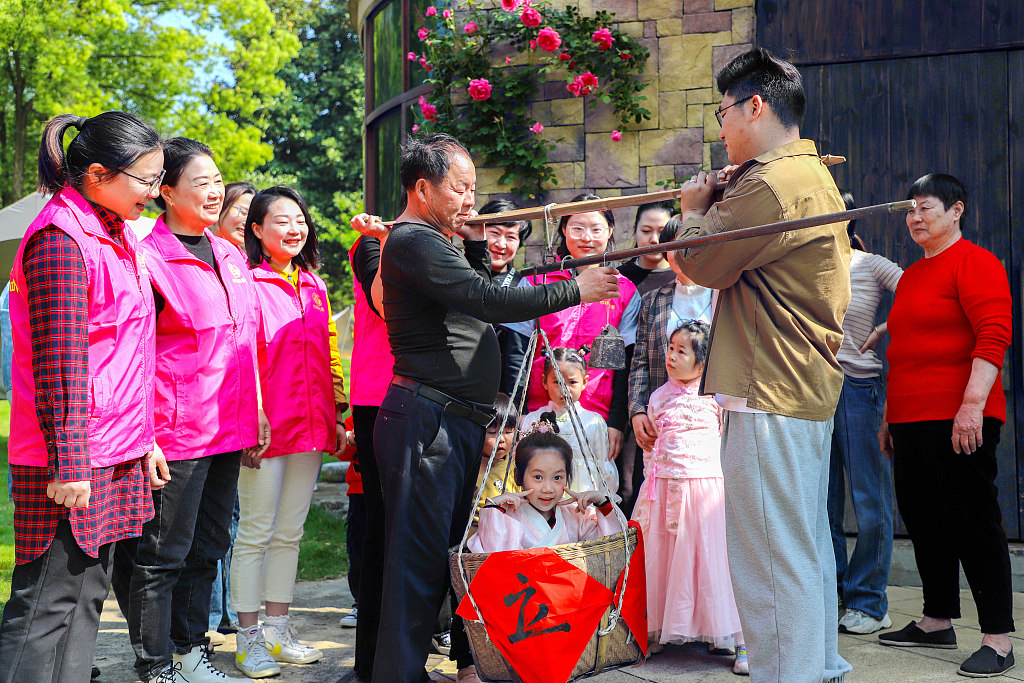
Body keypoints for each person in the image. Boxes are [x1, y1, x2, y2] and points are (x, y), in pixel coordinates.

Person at [362, 132, 620, 683]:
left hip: (447, 420)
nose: (470, 200)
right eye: (461, 188)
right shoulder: (412, 240)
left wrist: (475, 239)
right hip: (424, 421)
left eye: (473, 187)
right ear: (423, 188)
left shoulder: (440, 238)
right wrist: (576, 289)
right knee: (415, 563)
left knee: (439, 557)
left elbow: (488, 287)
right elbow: (489, 299)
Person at [673, 47, 852, 682]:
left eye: (723, 112)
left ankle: (791, 674)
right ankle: (815, 666)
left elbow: (697, 262)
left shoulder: (770, 182)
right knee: (799, 547)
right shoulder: (803, 174)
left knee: (768, 557)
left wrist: (694, 209)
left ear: (756, 105)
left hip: (768, 385)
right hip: (793, 384)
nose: (719, 129)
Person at [0, 112, 161, 683]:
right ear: (98, 175)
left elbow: (128, 350)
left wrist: (145, 440)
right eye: (145, 180)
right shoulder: (59, 240)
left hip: (115, 448)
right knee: (46, 603)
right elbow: (59, 364)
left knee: (89, 595)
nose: (155, 192)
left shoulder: (113, 233)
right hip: (70, 458)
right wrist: (70, 463)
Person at [113, 137, 268, 683]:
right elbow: (133, 353)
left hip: (230, 426)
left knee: (209, 548)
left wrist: (257, 416)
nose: (215, 190)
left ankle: (189, 649)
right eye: (200, 182)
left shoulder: (229, 252)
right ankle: (154, 661)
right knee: (162, 555)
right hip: (175, 432)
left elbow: (243, 340)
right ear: (166, 190)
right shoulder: (146, 257)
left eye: (217, 179)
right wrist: (145, 435)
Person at [876, 174, 1015, 678]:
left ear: (956, 209)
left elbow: (994, 332)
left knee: (973, 521)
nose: (915, 217)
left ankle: (999, 639)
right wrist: (891, 418)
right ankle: (937, 620)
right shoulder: (912, 276)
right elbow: (906, 351)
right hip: (910, 420)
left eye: (925, 207)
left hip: (961, 416)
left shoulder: (977, 262)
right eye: (909, 209)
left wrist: (972, 404)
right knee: (924, 519)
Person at [230, 186, 348, 677]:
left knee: (290, 532)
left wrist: (339, 412)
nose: (294, 228)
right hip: (264, 427)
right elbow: (239, 355)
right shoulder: (245, 282)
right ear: (257, 230)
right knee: (256, 532)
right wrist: (249, 415)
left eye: (299, 218)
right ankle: (248, 639)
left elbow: (330, 353)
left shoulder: (314, 286)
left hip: (313, 425)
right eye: (281, 220)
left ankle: (278, 630)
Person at [631, 322, 747, 675]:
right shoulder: (656, 397)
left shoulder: (717, 398)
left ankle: (740, 639)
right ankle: (657, 628)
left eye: (682, 351)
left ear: (703, 362)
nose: (671, 356)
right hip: (663, 487)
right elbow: (651, 448)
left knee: (713, 563)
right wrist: (650, 484)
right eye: (670, 348)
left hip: (704, 488)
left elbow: (728, 442)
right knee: (663, 560)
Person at [827, 192, 903, 635]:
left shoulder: (870, 263)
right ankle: (835, 594)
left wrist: (884, 327)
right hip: (814, 391)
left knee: (870, 499)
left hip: (858, 387)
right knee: (823, 503)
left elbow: (922, 291)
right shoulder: (805, 265)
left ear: (850, 220)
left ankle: (871, 601)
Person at [524, 194, 642, 462]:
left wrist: (616, 421)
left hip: (596, 416)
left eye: (596, 228)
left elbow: (627, 363)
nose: (586, 237)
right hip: (539, 410)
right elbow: (517, 351)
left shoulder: (624, 290)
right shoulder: (536, 280)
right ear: (563, 229)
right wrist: (519, 410)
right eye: (577, 227)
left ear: (610, 231)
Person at [625, 216, 714, 516]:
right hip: (662, 420)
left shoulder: (723, 297)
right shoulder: (652, 300)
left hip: (711, 419)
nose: (683, 256)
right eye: (675, 248)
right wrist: (637, 411)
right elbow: (638, 361)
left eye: (692, 247)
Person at [468, 430, 619, 552]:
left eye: (558, 477)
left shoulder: (576, 515)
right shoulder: (508, 517)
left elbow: (611, 547)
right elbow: (494, 560)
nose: (548, 489)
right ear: (518, 476)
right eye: (538, 477)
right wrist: (494, 510)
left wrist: (602, 502)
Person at [520, 347, 616, 492]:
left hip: (582, 502)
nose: (565, 389)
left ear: (584, 382)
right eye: (557, 382)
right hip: (543, 496)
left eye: (572, 382)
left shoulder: (594, 422)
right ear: (544, 381)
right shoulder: (532, 420)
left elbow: (604, 468)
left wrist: (601, 501)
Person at [480, 198, 534, 400]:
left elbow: (518, 355)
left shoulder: (522, 286)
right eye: (494, 233)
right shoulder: (458, 274)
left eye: (511, 237)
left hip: (500, 397)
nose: (500, 244)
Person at [617, 200, 677, 296]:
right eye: (646, 231)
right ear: (635, 232)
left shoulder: (682, 277)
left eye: (662, 231)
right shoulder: (619, 278)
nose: (654, 240)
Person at [215, 181, 258, 248]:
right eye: (243, 212)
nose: (247, 223)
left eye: (252, 218)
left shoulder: (246, 258)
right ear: (221, 206)